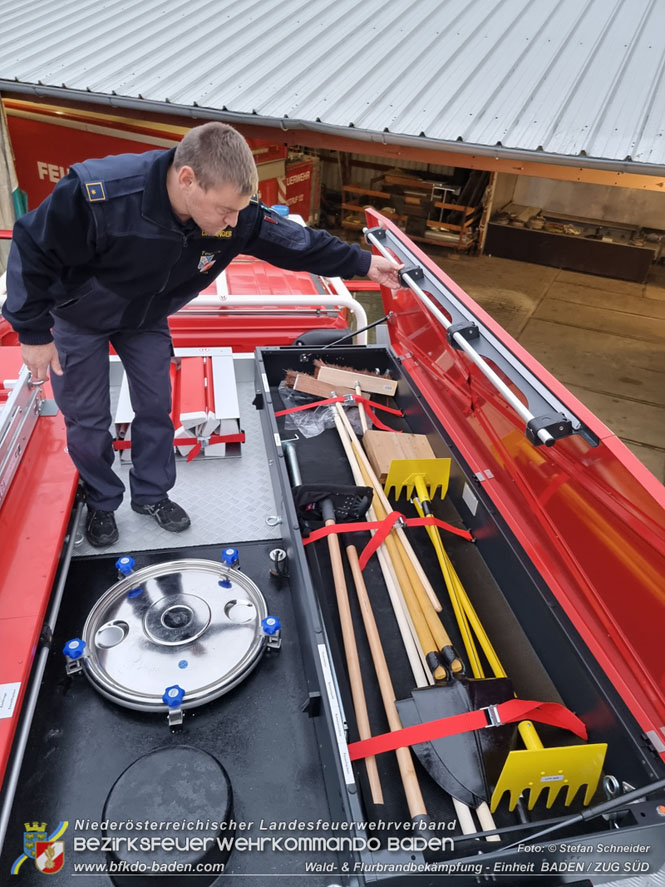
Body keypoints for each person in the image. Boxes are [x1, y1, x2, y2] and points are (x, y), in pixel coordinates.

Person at [2, 122, 401, 547]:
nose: (233, 222)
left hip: (145, 316)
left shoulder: (234, 211)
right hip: (78, 314)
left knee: (156, 405)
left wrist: (363, 264)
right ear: (187, 179)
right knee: (88, 419)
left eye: (238, 211)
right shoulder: (101, 194)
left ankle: (152, 495)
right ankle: (102, 501)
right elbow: (33, 246)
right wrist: (32, 332)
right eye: (225, 211)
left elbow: (297, 242)